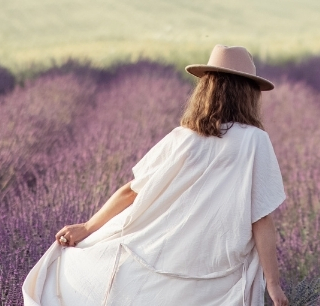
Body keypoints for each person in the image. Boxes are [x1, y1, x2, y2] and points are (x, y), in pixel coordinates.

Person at [23, 45, 288, 306]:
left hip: (165, 256)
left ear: (206, 89)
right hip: (219, 272)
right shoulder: (255, 141)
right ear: (248, 93)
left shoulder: (182, 138)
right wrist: (273, 284)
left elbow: (131, 191)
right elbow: (261, 218)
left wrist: (88, 228)